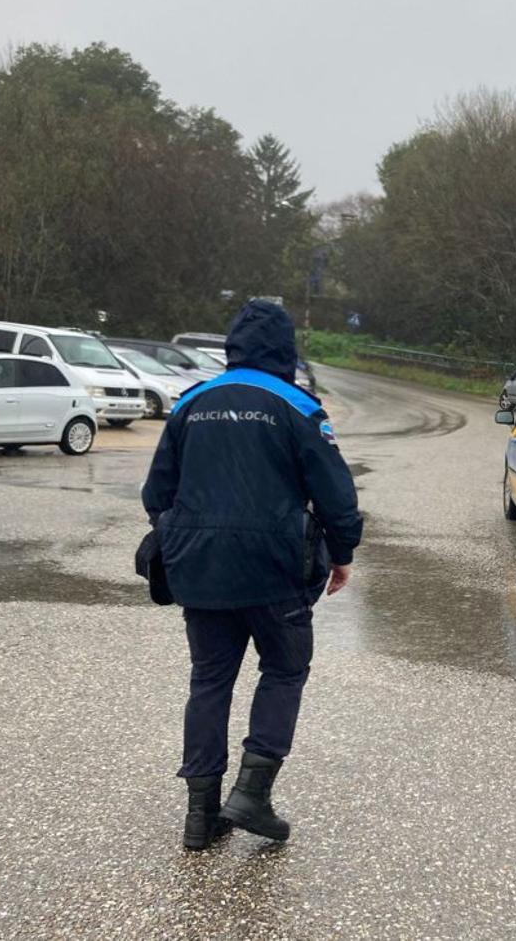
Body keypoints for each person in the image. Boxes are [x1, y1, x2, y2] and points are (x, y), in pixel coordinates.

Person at [142, 299, 362, 849]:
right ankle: (252, 794)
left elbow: (156, 494)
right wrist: (342, 551)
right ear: (286, 349)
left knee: (210, 681)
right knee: (285, 671)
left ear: (232, 345)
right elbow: (335, 493)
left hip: (201, 570)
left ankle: (200, 818)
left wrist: (188, 534)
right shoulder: (297, 405)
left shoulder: (191, 402)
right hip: (276, 571)